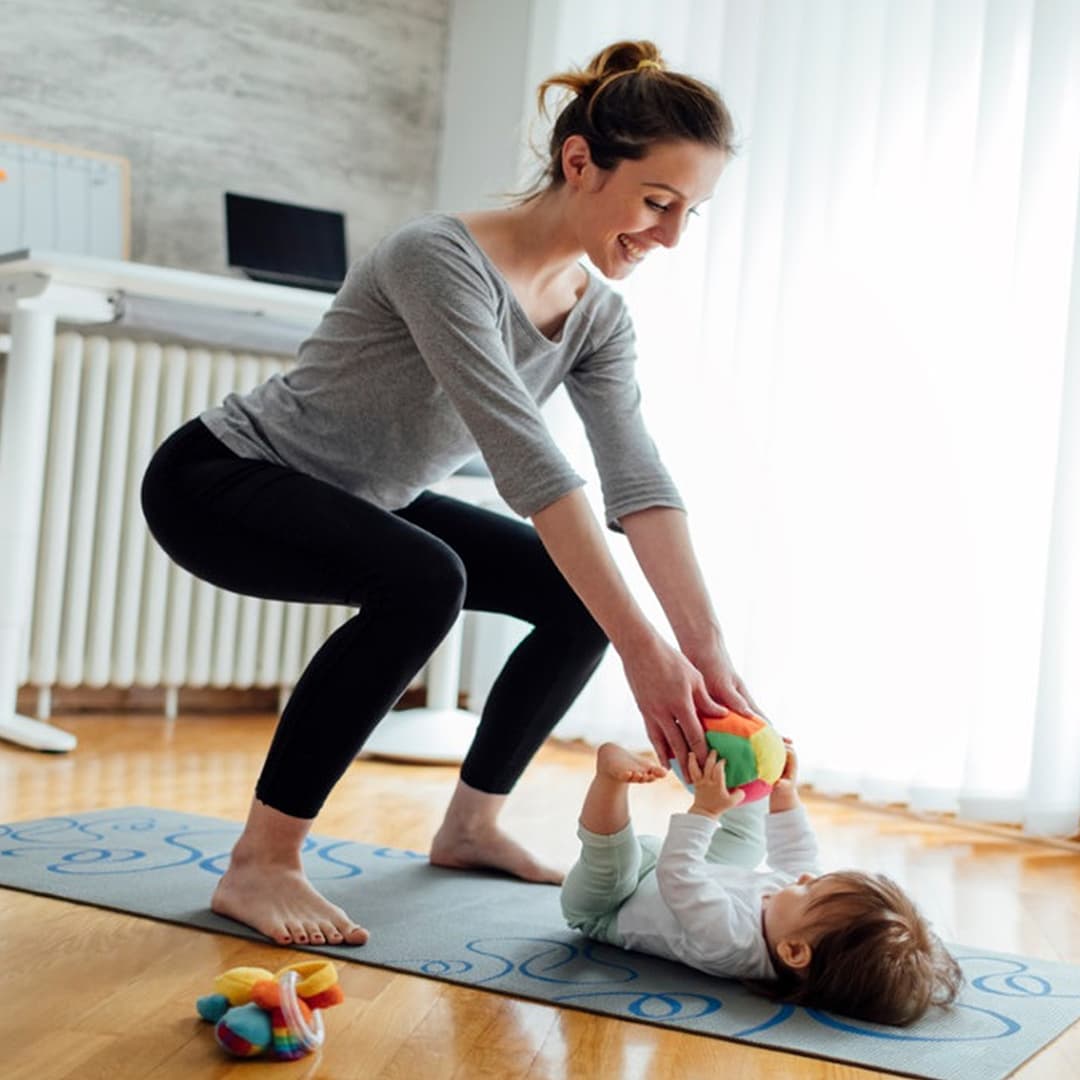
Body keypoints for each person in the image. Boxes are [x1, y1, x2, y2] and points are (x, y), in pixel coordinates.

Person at [140, 39, 760, 949]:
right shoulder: (439, 257)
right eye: (658, 202)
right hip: (220, 480)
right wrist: (646, 653)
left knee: (572, 599)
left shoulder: (598, 316)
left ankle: (470, 825)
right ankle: (262, 861)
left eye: (689, 214)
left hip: (365, 499)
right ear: (581, 162)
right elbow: (528, 460)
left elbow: (637, 480)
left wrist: (704, 659)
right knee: (427, 580)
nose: (669, 236)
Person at [561, 741, 964, 1026]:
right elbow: (797, 853)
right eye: (818, 881)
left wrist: (705, 810)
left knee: (614, 863)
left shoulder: (731, 942)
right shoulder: (796, 916)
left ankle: (609, 779)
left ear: (793, 951)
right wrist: (782, 791)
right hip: (691, 872)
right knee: (749, 839)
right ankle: (731, 763)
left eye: (811, 890)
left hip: (612, 905)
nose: (806, 878)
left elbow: (677, 877)